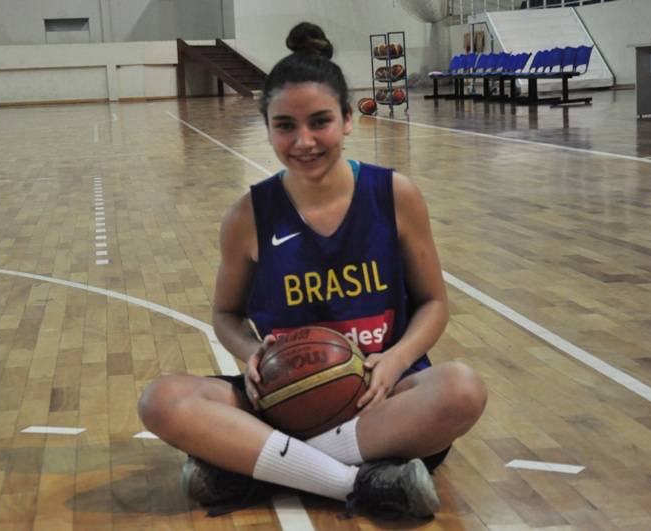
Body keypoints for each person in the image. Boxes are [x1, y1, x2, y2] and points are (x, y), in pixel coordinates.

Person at [138, 22, 487, 519]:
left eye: (319, 121)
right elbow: (225, 314)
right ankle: (359, 482)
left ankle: (257, 466)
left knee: (462, 390)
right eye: (285, 126)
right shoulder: (247, 217)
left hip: (379, 398)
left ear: (348, 119)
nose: (304, 141)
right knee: (161, 400)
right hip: (284, 395)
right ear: (267, 128)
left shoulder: (395, 196)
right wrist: (251, 354)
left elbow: (433, 303)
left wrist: (396, 359)